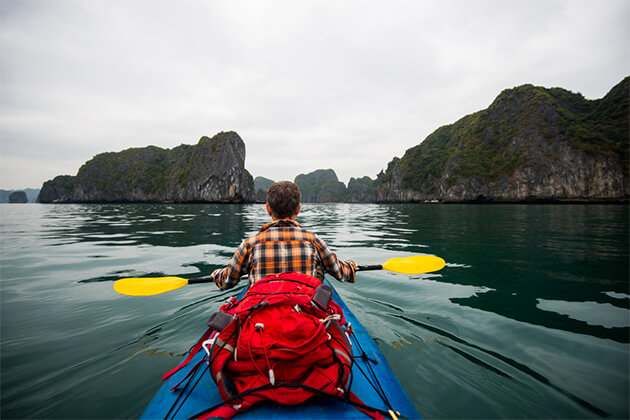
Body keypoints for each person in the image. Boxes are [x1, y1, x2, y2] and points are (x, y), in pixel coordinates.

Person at [210, 181, 357, 289]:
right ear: (298, 209)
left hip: (261, 321)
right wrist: (351, 266)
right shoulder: (314, 241)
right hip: (303, 318)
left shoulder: (249, 245)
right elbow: (340, 272)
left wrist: (217, 274)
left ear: (268, 209)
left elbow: (226, 281)